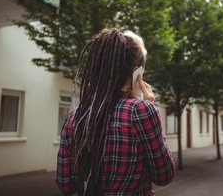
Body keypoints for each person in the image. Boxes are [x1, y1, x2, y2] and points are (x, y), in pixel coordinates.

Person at [56, 28, 175, 195]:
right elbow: (164, 175)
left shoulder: (74, 118)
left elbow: (66, 186)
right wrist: (150, 107)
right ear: (137, 73)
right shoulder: (141, 111)